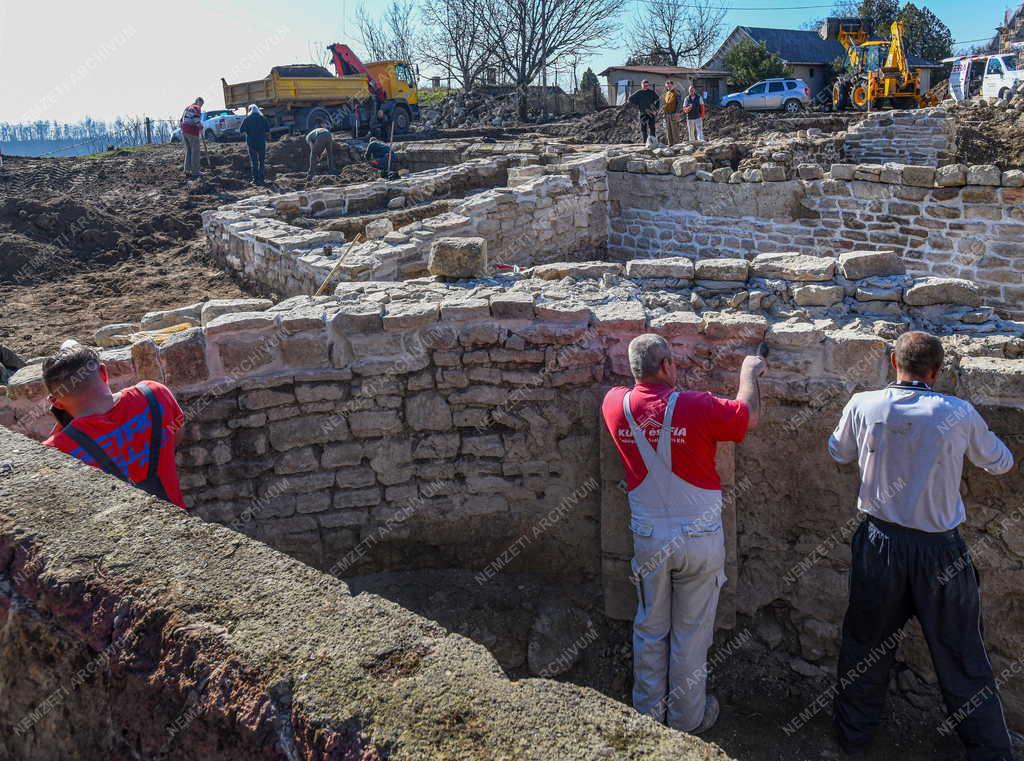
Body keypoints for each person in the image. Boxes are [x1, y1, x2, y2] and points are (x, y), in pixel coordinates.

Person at [828, 331, 1015, 759]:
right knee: (962, 654)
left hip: (880, 544)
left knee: (865, 644)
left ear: (893, 361)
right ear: (937, 371)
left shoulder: (863, 404)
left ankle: (852, 739)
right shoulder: (959, 412)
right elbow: (1001, 463)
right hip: (940, 553)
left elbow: (838, 452)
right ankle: (990, 753)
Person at [601, 334, 766, 734]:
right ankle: (686, 721)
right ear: (668, 367)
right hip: (699, 538)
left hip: (649, 539)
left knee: (649, 626)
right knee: (691, 636)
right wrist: (748, 372)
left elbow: (645, 408)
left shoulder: (613, 404)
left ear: (633, 369)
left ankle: (647, 716)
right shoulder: (699, 406)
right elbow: (748, 416)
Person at [41, 343, 188, 510]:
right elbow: (175, 435)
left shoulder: (56, 451)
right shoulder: (154, 393)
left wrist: (63, 425)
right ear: (103, 373)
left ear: (56, 403)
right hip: (179, 519)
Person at [239, 104, 270, 185]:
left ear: (249, 111)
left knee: (254, 162)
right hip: (261, 143)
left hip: (251, 143)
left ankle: (255, 180)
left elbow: (241, 130)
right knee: (262, 162)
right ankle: (262, 179)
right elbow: (267, 130)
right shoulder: (263, 118)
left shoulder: (247, 119)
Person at [628, 80, 660, 145]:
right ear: (641, 85)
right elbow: (630, 99)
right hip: (643, 113)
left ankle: (653, 142)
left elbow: (658, 100)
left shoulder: (651, 92)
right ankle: (645, 142)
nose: (646, 86)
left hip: (651, 112)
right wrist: (637, 104)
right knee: (643, 128)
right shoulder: (639, 92)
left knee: (652, 127)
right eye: (644, 85)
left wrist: (655, 109)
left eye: (647, 85)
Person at [180, 97, 204, 178]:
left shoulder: (187, 108)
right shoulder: (196, 108)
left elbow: (181, 120)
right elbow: (196, 120)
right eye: (201, 103)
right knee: (195, 151)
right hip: (192, 132)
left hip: (184, 131)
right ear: (197, 102)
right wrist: (200, 126)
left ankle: (187, 170)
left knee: (189, 151)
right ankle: (195, 171)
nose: (201, 106)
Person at [662, 80, 680, 146]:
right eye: (667, 86)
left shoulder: (676, 92)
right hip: (667, 114)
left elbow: (679, 103)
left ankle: (677, 144)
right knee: (668, 130)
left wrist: (677, 112)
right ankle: (670, 144)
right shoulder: (667, 93)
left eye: (670, 86)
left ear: (672, 85)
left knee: (674, 130)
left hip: (673, 114)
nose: (669, 87)